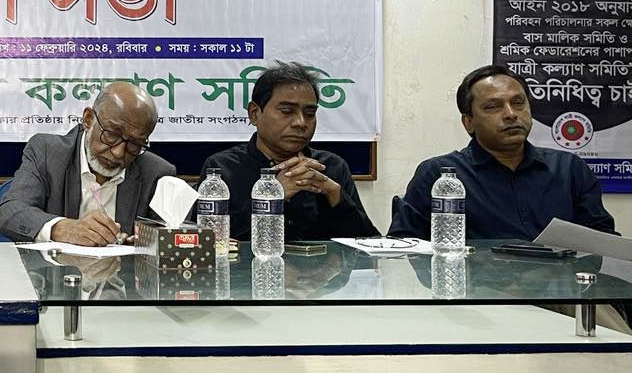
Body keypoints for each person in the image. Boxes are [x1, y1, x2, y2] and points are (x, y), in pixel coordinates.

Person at [389, 64, 617, 240]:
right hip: (473, 287)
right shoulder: (440, 175)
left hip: (559, 287)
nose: (510, 114)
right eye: (493, 106)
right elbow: (405, 246)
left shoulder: (569, 169)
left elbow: (603, 241)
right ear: (469, 122)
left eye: (518, 103)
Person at [200, 62, 377, 241]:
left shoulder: (331, 167)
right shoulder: (221, 169)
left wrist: (336, 197)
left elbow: (368, 245)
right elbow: (204, 242)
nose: (301, 123)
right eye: (286, 111)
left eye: (309, 114)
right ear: (254, 114)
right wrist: (272, 198)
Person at [0, 80, 176, 246]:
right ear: (88, 119)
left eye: (135, 144)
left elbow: (172, 242)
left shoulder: (156, 174)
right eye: (112, 134)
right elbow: (10, 212)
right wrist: (64, 229)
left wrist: (144, 244)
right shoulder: (46, 152)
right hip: (54, 269)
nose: (118, 152)